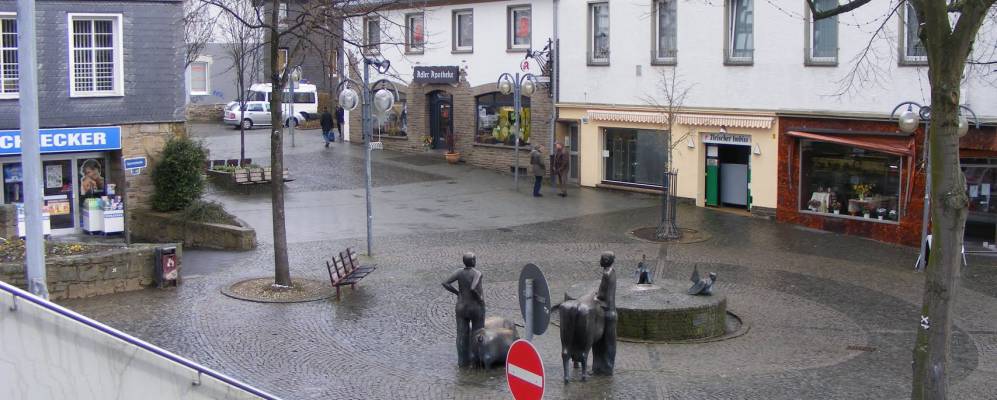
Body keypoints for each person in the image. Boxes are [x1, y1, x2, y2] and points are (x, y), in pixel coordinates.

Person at [442, 252, 485, 367]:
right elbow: (473, 287)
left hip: (461, 306)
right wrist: (479, 298)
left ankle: (462, 361)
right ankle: (477, 361)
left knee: (461, 334)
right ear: (473, 261)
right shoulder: (477, 273)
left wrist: (458, 293)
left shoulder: (459, 272)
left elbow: (445, 283)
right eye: (475, 259)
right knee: (478, 333)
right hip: (475, 307)